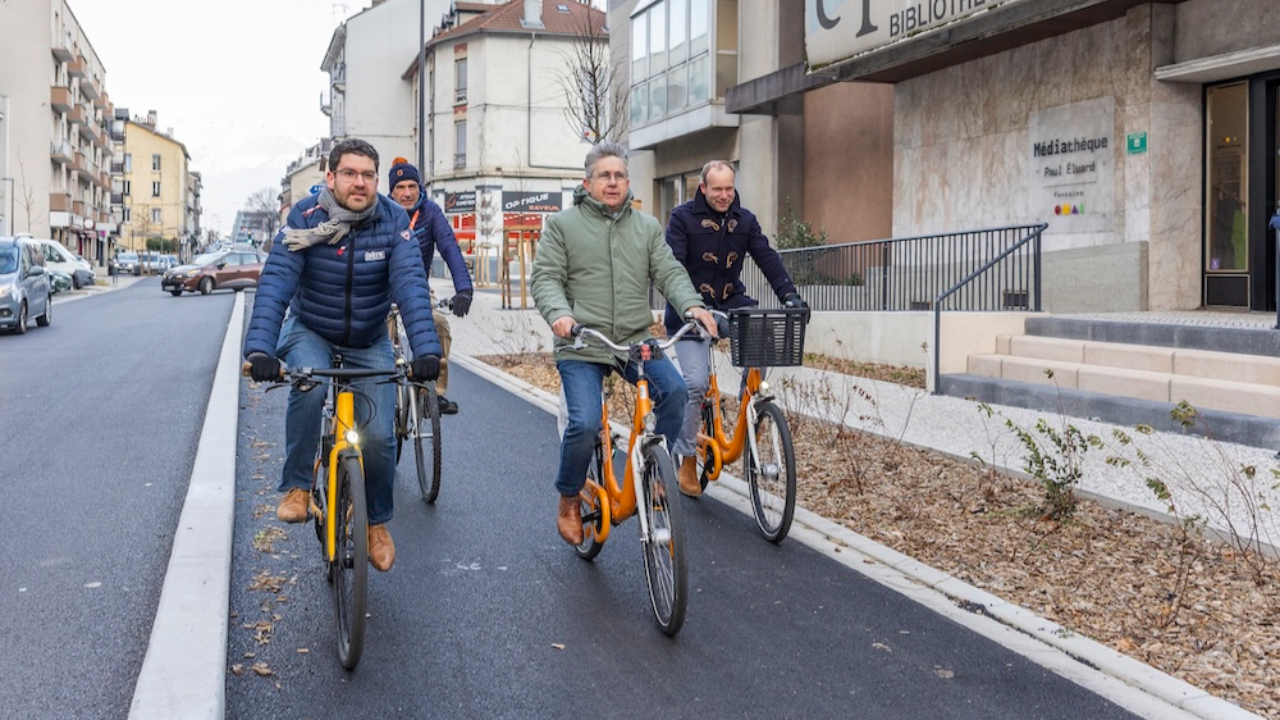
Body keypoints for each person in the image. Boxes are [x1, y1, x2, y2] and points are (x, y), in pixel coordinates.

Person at [243, 138, 443, 572]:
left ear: (377, 181)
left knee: (380, 435)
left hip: (370, 336)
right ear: (329, 178)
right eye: (349, 173)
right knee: (309, 389)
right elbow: (277, 279)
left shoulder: (392, 220)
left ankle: (375, 524)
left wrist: (426, 349)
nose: (359, 182)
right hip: (312, 328)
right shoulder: (304, 218)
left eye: (368, 175)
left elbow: (409, 282)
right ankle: (297, 486)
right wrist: (260, 348)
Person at [532, 141, 717, 546]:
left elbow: (669, 271)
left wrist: (691, 305)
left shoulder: (646, 227)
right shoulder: (563, 225)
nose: (612, 182)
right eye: (604, 175)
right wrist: (560, 315)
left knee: (675, 390)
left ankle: (652, 468)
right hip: (582, 341)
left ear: (627, 182)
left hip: (633, 339)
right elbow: (545, 278)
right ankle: (568, 498)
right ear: (588, 182)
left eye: (619, 176)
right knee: (582, 423)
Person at [664, 160, 807, 497]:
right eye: (718, 189)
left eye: (730, 188)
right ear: (703, 188)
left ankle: (752, 411)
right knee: (695, 384)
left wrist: (789, 295)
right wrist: (691, 305)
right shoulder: (682, 219)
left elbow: (766, 256)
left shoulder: (744, 220)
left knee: (762, 337)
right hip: (689, 310)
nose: (725, 195)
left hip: (729, 303)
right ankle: (686, 457)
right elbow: (672, 266)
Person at [387, 157, 474, 415]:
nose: (407, 193)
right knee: (381, 333)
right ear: (391, 192)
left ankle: (433, 393)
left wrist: (464, 288)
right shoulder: (380, 212)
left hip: (416, 286)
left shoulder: (430, 212)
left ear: (420, 188)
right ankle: (383, 388)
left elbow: (449, 246)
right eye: (400, 187)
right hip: (381, 287)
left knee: (438, 323)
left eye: (412, 186)